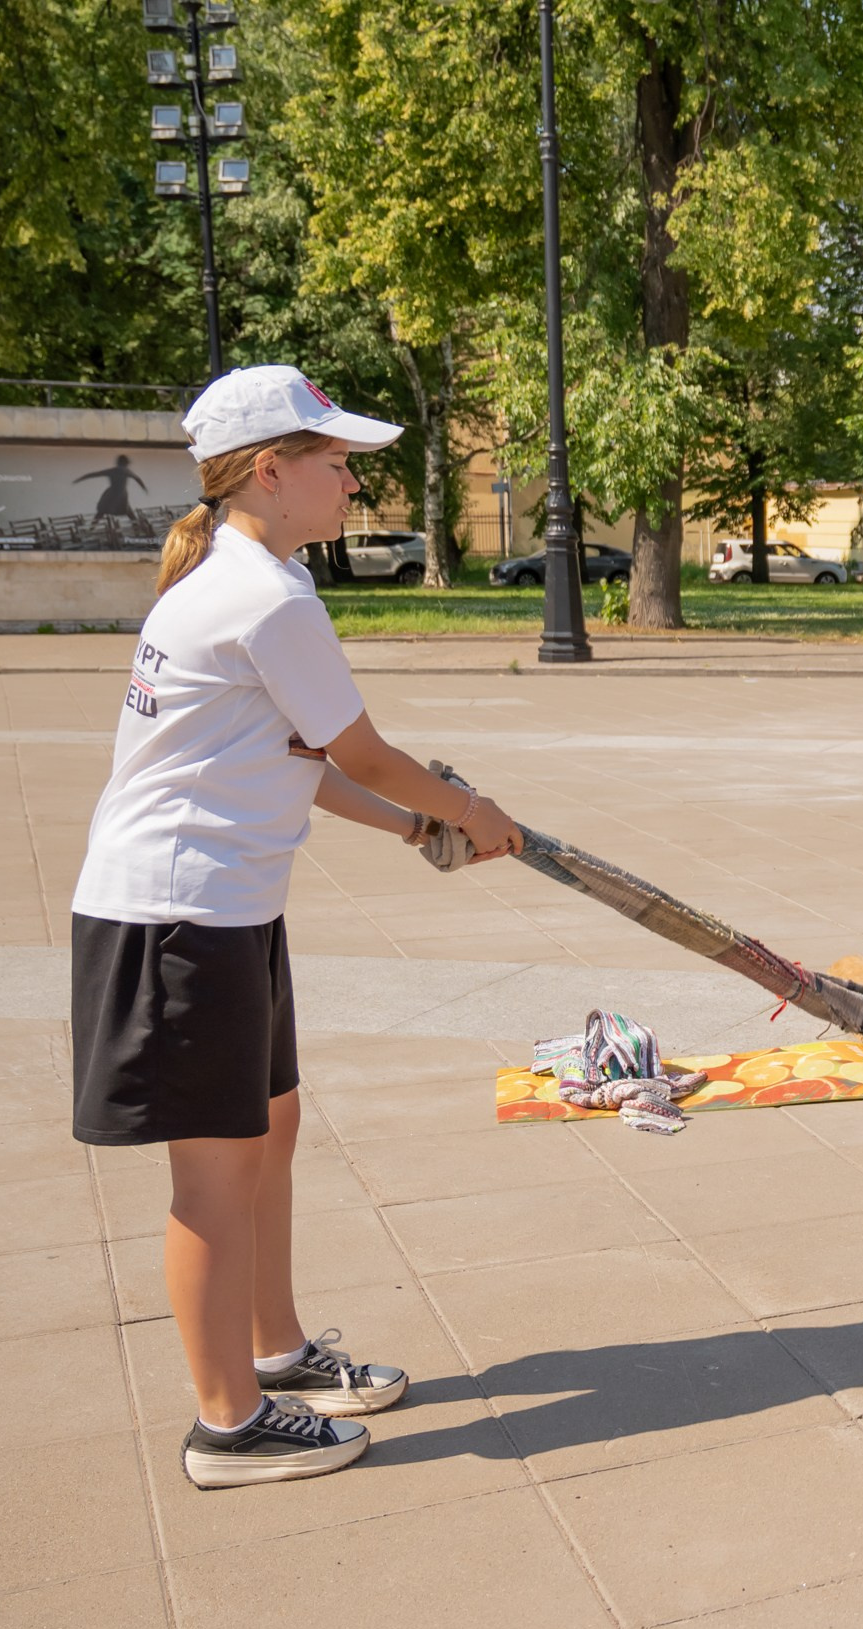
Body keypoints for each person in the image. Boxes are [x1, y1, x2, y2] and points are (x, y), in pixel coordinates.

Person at [70, 366, 526, 1488]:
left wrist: (414, 830)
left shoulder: (246, 578)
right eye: (333, 461)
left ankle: (273, 1355)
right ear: (268, 473)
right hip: (178, 921)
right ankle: (227, 1425)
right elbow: (361, 749)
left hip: (224, 911)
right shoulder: (265, 597)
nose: (350, 479)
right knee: (214, 1176)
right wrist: (468, 810)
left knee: (269, 1128)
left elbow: (303, 763)